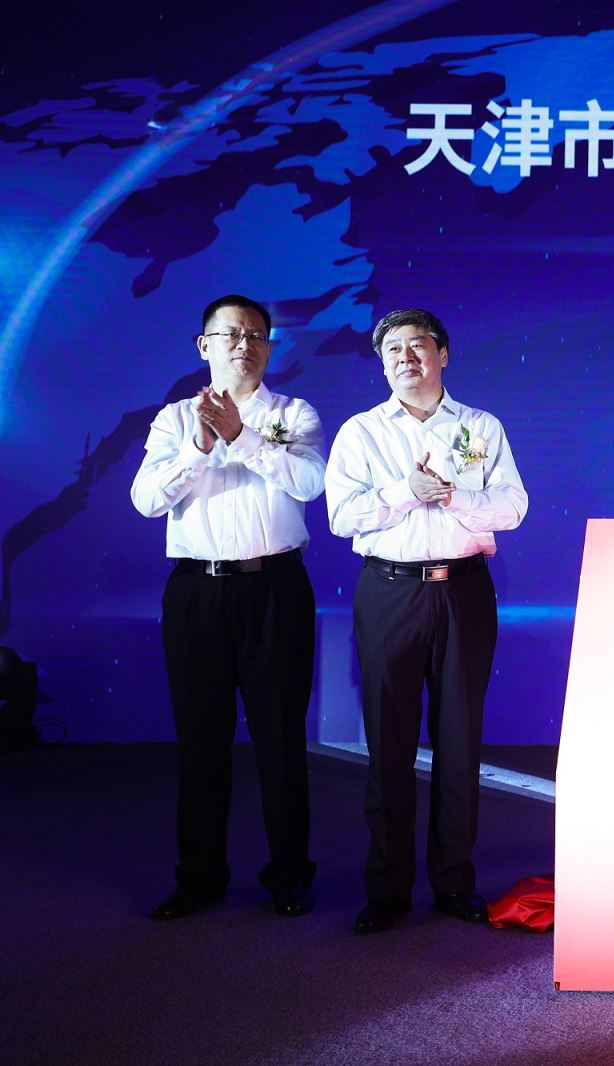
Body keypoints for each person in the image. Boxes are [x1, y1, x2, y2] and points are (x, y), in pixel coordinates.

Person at [325, 308, 527, 934]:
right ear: (382, 364)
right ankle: (387, 888)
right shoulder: (361, 432)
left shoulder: (480, 427)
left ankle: (453, 881)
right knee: (388, 740)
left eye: (418, 346)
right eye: (393, 350)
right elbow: (341, 516)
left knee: (459, 739)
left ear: (443, 354)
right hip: (390, 591)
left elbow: (513, 507)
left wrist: (455, 497)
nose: (405, 358)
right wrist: (405, 493)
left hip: (464, 590)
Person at [131, 293, 323, 919]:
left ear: (269, 346)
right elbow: (146, 502)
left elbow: (310, 483)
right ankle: (199, 878)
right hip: (198, 592)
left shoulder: (293, 413)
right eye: (231, 334)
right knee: (201, 740)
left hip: (275, 589)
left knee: (281, 739)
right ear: (204, 345)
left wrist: (241, 438)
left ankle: (289, 876)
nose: (245, 345)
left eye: (257, 335)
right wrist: (200, 448)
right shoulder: (172, 420)